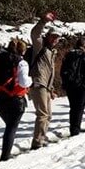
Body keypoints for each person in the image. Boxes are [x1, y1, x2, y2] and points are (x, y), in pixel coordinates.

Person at [0, 40, 32, 162]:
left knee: (9, 126)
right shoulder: (21, 63)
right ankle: (5, 156)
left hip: (0, 97)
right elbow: (24, 82)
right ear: (22, 50)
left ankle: (5, 154)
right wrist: (31, 81)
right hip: (15, 98)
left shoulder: (0, 59)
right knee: (11, 128)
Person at [28, 12, 60, 149]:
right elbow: (34, 34)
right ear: (48, 36)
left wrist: (51, 89)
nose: (55, 39)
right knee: (43, 114)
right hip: (38, 84)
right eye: (53, 36)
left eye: (57, 37)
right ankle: (37, 142)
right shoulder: (40, 46)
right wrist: (43, 21)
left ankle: (41, 137)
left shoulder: (52, 52)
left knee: (48, 115)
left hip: (46, 87)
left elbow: (50, 72)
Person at [61, 38, 85, 136]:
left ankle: (72, 128)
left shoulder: (68, 55)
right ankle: (75, 130)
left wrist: (65, 83)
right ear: (84, 46)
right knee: (79, 109)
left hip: (70, 86)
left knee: (73, 107)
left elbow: (62, 71)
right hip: (82, 87)